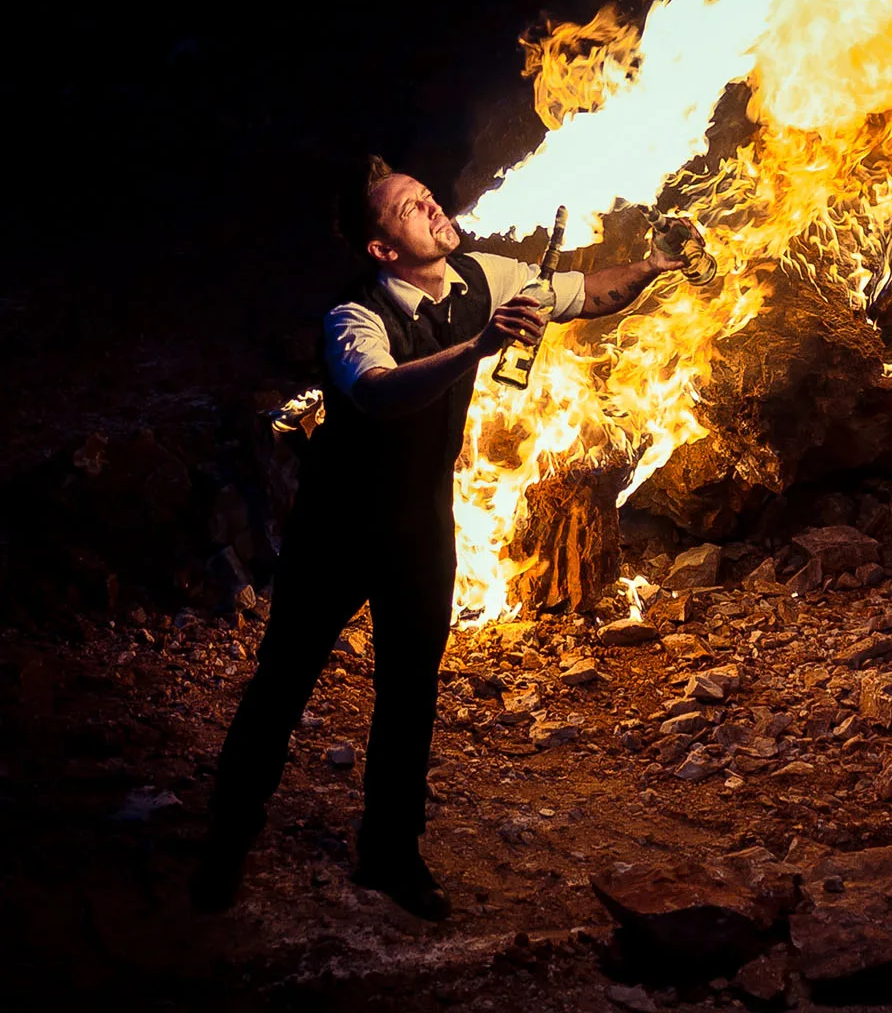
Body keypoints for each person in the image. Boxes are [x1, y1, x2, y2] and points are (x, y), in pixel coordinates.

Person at [191, 156, 702, 919]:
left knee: (410, 693)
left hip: (420, 525)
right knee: (282, 685)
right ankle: (225, 847)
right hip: (336, 526)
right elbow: (375, 390)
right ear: (382, 250)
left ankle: (391, 855)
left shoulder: (482, 277)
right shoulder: (353, 315)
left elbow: (588, 291)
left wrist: (656, 265)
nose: (430, 205)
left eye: (425, 194)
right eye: (407, 207)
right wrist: (477, 351)